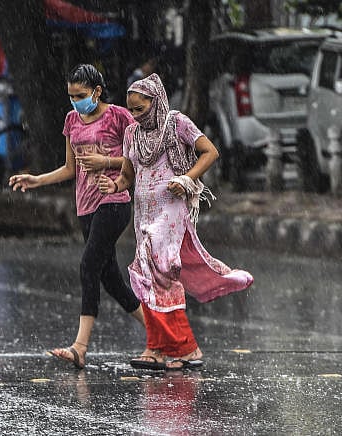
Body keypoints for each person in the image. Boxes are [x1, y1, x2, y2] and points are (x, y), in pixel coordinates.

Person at [98, 73, 253, 370]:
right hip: (143, 211)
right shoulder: (132, 134)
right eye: (131, 110)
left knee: (163, 269)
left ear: (156, 102)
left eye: (141, 109)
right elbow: (128, 176)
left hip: (171, 211)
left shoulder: (177, 123)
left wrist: (186, 178)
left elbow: (210, 152)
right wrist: (115, 186)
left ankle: (187, 349)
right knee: (146, 273)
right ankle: (156, 348)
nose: (136, 115)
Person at [9, 63, 146, 369]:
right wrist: (37, 180)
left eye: (80, 95)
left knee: (88, 265)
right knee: (110, 279)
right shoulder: (72, 120)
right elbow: (71, 169)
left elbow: (140, 159)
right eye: (71, 96)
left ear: (97, 92)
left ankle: (79, 347)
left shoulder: (119, 117)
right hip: (85, 205)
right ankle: (160, 332)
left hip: (114, 199)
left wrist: (106, 161)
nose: (75, 101)